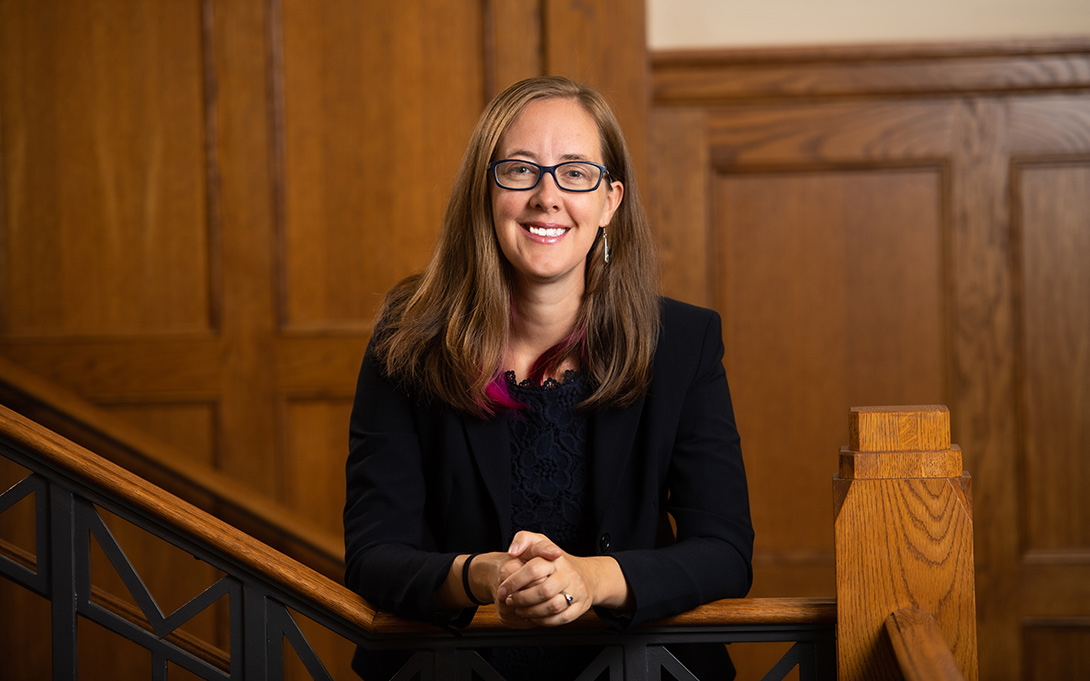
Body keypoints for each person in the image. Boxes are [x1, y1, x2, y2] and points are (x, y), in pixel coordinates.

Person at [343, 76, 753, 680]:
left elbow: (725, 553)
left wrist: (591, 579)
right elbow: (374, 557)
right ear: (485, 192)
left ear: (611, 201)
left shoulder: (683, 344)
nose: (546, 195)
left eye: (575, 172)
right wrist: (479, 576)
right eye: (519, 169)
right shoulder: (407, 342)